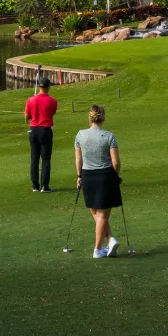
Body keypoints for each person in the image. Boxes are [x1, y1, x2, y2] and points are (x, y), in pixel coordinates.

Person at [74, 105, 122, 258]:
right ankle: (97, 249)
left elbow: (78, 159)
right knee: (102, 214)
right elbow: (115, 163)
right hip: (105, 176)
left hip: (87, 176)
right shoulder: (109, 136)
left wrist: (79, 176)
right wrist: (117, 175)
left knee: (95, 211)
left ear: (90, 117)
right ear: (103, 118)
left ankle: (110, 240)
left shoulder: (80, 135)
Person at [24, 77, 58, 193]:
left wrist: (32, 113)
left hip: (33, 130)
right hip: (45, 130)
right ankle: (45, 186)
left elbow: (26, 118)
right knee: (46, 159)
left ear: (39, 87)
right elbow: (52, 113)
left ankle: (35, 186)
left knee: (34, 159)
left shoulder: (30, 100)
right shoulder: (52, 101)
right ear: (48, 87)